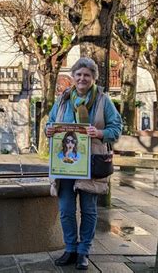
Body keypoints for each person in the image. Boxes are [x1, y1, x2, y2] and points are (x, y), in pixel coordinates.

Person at [45, 57, 122, 270]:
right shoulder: (63, 100)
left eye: (87, 75)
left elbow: (116, 129)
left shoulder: (103, 101)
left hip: (91, 164)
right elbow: (50, 123)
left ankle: (83, 252)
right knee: (66, 209)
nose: (82, 78)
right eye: (78, 74)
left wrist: (99, 133)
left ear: (93, 78)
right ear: (73, 77)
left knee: (88, 210)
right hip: (65, 165)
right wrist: (48, 130)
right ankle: (70, 248)